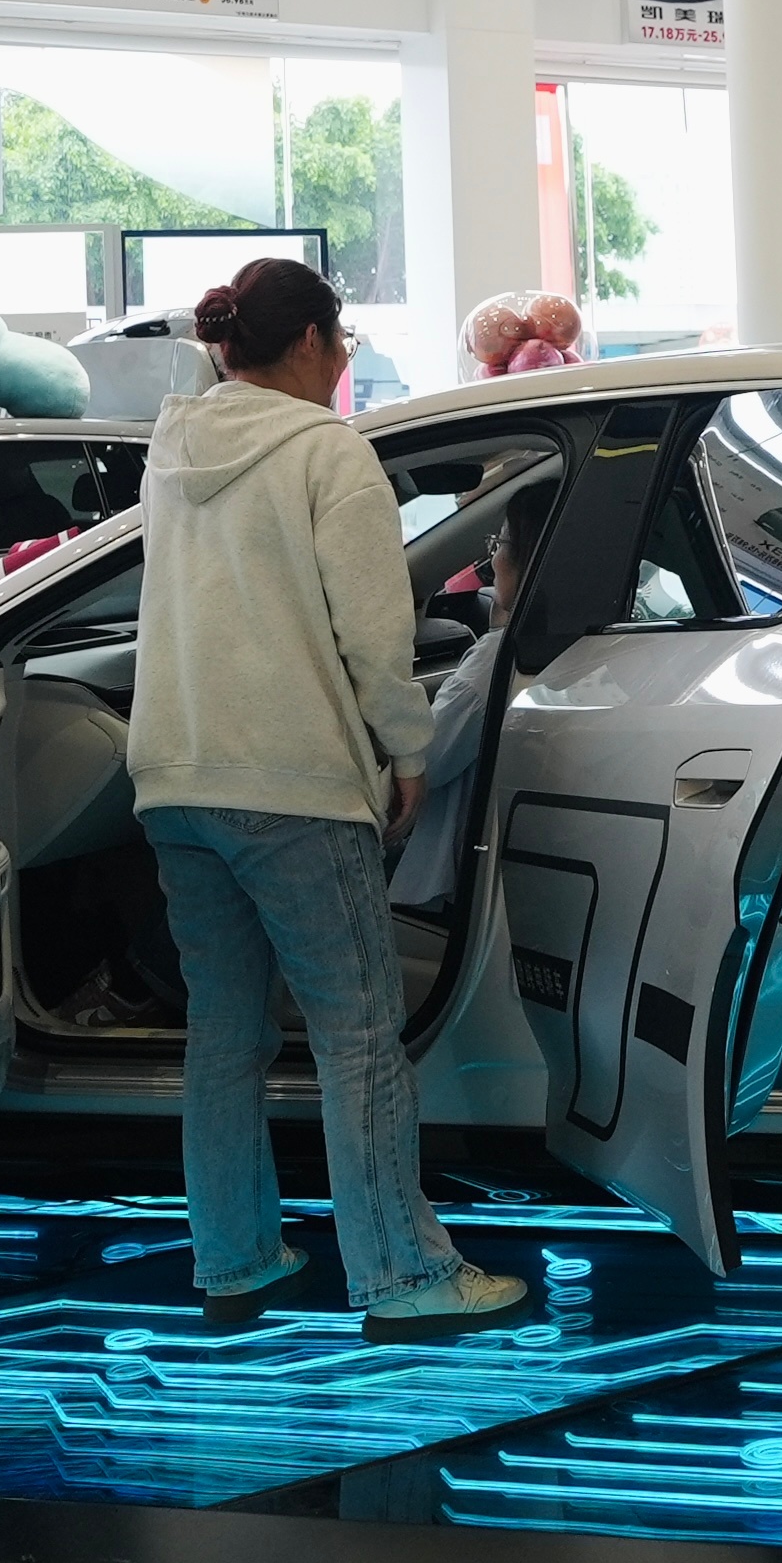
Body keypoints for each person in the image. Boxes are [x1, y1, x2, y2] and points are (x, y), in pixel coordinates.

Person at [130, 255, 528, 1333]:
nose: (344, 357)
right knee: (358, 1034)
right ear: (308, 342)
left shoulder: (171, 448)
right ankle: (403, 1275)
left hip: (173, 776)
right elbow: (375, 636)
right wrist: (410, 754)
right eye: (341, 338)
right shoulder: (328, 453)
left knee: (223, 1035)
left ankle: (235, 1260)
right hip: (294, 779)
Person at [388, 468, 553, 915]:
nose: (493, 559)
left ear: (528, 559)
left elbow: (426, 759)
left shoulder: (498, 659)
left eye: (500, 544)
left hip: (449, 878)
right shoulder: (571, 645)